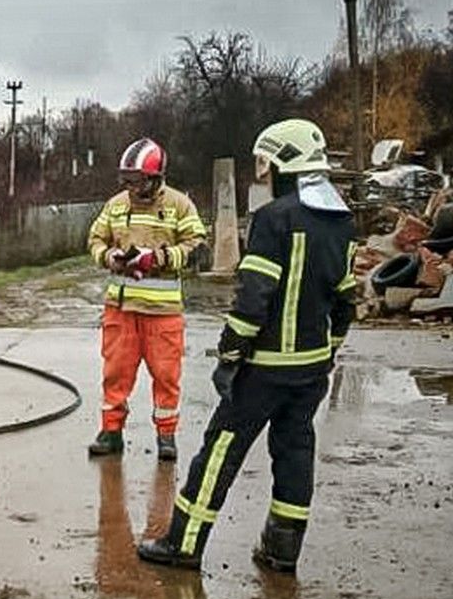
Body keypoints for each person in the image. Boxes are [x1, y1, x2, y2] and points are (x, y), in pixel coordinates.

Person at [138, 118, 357, 574]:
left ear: (286, 164)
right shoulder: (341, 221)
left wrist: (230, 355)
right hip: (312, 370)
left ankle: (183, 544)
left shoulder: (274, 219)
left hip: (264, 367)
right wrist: (327, 351)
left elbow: (254, 298)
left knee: (220, 450)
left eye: (267, 163)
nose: (265, 172)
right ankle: (281, 550)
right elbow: (345, 303)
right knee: (295, 452)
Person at [86, 138, 207, 460]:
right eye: (125, 180)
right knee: (115, 374)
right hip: (121, 309)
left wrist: (160, 258)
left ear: (154, 178)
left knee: (167, 376)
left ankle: (166, 436)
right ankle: (111, 432)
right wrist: (109, 256)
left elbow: (197, 246)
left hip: (163, 313)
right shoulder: (116, 205)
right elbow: (95, 239)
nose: (129, 187)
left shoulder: (179, 206)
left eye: (135, 180)